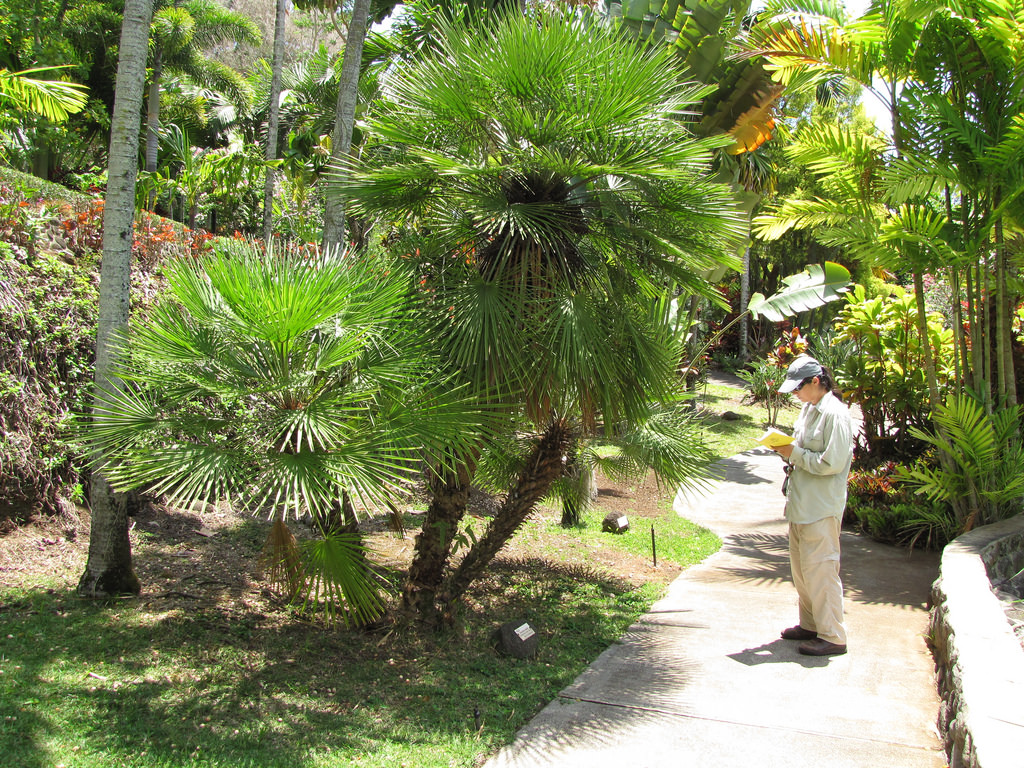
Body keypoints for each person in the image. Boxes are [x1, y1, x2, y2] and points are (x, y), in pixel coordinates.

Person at [770, 355, 854, 657]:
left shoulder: (836, 415)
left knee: (821, 570)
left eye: (798, 388)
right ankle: (811, 624)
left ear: (815, 382)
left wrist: (795, 454)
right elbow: (802, 450)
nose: (795, 394)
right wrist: (787, 450)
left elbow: (831, 463)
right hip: (801, 504)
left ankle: (833, 635)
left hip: (821, 507)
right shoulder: (809, 409)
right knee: (802, 570)